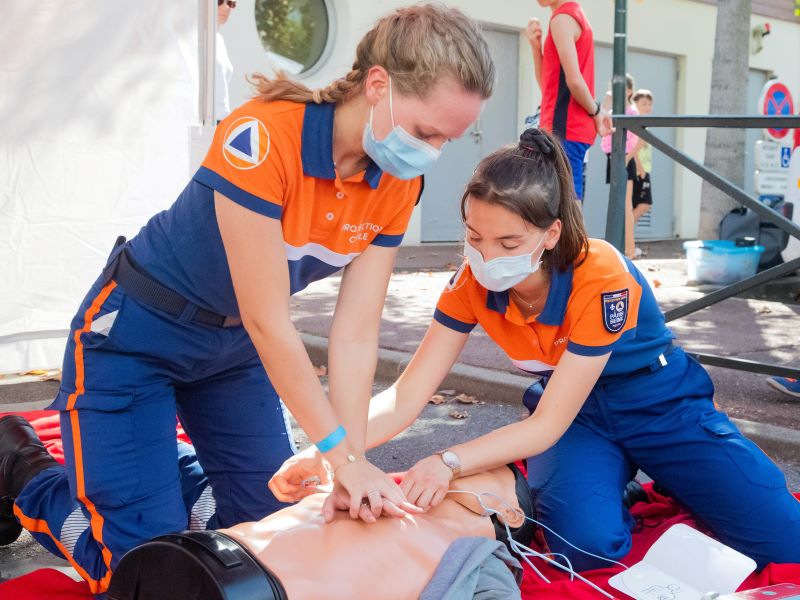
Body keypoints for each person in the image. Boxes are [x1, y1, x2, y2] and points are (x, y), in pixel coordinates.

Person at [0, 5, 495, 595]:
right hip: (136, 341)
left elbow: (357, 333)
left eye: (447, 139)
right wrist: (341, 459)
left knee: (270, 535)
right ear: (379, 85)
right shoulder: (263, 136)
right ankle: (23, 467)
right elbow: (269, 321)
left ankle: (160, 468)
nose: (433, 153)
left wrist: (352, 456)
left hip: (230, 352)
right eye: (425, 132)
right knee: (145, 567)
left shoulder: (398, 182)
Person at [273, 128, 800, 574]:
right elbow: (407, 394)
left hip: (658, 403)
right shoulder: (470, 281)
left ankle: (678, 475)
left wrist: (447, 460)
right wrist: (328, 453)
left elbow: (544, 426)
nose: (485, 258)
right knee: (585, 551)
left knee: (785, 542)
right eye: (474, 237)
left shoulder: (601, 272)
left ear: (551, 233)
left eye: (507, 245)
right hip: (579, 419)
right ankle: (615, 486)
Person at [108, 465, 534, 600]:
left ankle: (37, 474)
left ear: (511, 513)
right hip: (187, 557)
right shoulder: (370, 490)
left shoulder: (484, 560)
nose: (440, 468)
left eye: (479, 470)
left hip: (253, 588)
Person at [525, 0, 612, 203]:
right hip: (569, 130)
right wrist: (535, 48)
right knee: (565, 202)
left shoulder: (562, 19)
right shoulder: (571, 14)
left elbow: (574, 81)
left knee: (566, 205)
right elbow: (549, 86)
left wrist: (597, 111)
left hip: (564, 129)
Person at [601, 73, 639, 259]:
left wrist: (627, 159)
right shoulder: (611, 109)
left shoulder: (631, 111)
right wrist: (607, 101)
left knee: (626, 205)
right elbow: (600, 122)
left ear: (629, 90)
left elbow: (637, 139)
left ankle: (630, 250)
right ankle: (619, 249)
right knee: (616, 203)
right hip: (612, 156)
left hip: (625, 157)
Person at [630, 89, 654, 257]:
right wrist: (640, 168)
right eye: (644, 104)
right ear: (635, 104)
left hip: (644, 169)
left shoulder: (644, 121)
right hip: (640, 170)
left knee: (637, 207)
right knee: (644, 204)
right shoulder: (637, 122)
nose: (647, 107)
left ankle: (629, 241)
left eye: (649, 104)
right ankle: (627, 238)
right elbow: (636, 146)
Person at [215, 0, 236, 122]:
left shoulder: (219, 40)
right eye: (219, 1)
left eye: (231, 3)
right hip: (201, 120)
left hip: (221, 119)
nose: (226, 7)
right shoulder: (196, 38)